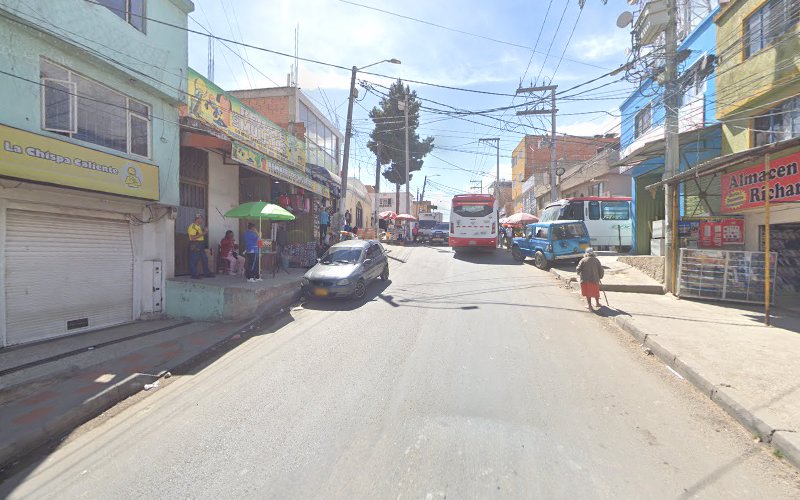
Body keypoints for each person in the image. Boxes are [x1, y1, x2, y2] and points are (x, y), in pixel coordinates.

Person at [188, 214, 213, 279]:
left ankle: (206, 273)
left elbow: (199, 235)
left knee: (205, 259)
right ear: (197, 219)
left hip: (200, 244)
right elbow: (193, 237)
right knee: (193, 260)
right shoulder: (192, 226)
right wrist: (204, 233)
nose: (202, 220)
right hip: (195, 244)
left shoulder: (198, 226)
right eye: (201, 219)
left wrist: (203, 231)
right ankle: (194, 274)